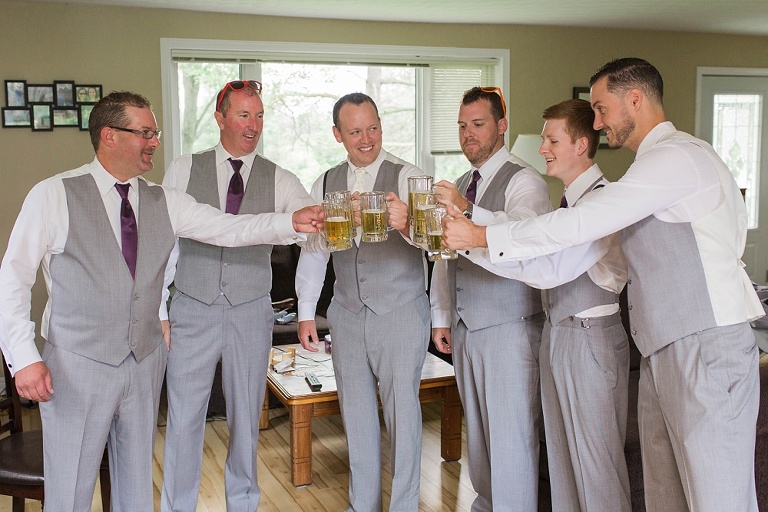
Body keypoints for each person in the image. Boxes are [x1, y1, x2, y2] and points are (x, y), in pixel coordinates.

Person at [441, 58, 764, 512]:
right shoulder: (648, 169)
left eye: (600, 108)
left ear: (635, 99)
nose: (595, 123)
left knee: (718, 498)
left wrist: (479, 234)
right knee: (664, 496)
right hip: (660, 349)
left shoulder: (676, 157)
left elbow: (576, 229)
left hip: (705, 346)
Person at [0, 91, 321, 512]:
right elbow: (13, 278)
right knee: (71, 490)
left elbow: (229, 228)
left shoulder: (164, 200)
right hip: (78, 363)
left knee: (136, 483)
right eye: (145, 132)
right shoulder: (53, 194)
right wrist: (23, 357)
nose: (154, 141)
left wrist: (289, 221)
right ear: (109, 136)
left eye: (155, 132)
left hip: (144, 361)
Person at [160, 79, 315, 512]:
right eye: (245, 114)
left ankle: (244, 504)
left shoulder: (280, 177)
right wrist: (161, 309)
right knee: (184, 419)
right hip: (192, 306)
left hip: (251, 311)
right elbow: (166, 244)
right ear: (220, 117)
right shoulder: (182, 169)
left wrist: (319, 218)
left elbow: (306, 221)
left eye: (260, 115)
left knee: (247, 420)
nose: (254, 125)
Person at [296, 92, 431, 511]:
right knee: (355, 416)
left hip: (400, 310)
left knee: (403, 415)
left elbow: (435, 244)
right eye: (355, 131)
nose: (366, 138)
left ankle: (405, 505)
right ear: (338, 134)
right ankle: (363, 505)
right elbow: (315, 250)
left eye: (372, 127)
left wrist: (405, 220)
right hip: (347, 313)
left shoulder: (409, 175)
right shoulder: (324, 181)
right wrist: (305, 314)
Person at [430, 86, 550, 511]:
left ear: (501, 125)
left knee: (511, 437)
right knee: (478, 437)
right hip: (466, 328)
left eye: (477, 125)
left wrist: (467, 210)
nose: (468, 135)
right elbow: (446, 253)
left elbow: (523, 235)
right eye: (462, 126)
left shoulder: (525, 180)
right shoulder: (462, 182)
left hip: (511, 329)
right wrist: (441, 315)